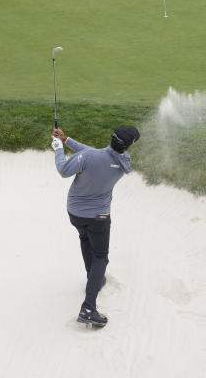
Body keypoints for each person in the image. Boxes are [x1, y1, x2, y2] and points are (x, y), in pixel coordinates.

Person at [51, 124, 140, 328]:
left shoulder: (91, 157)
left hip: (76, 213)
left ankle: (94, 283)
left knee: (84, 240)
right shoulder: (124, 162)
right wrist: (66, 140)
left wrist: (58, 148)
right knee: (101, 256)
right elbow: (94, 154)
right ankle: (89, 305)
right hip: (99, 217)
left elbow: (64, 170)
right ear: (127, 146)